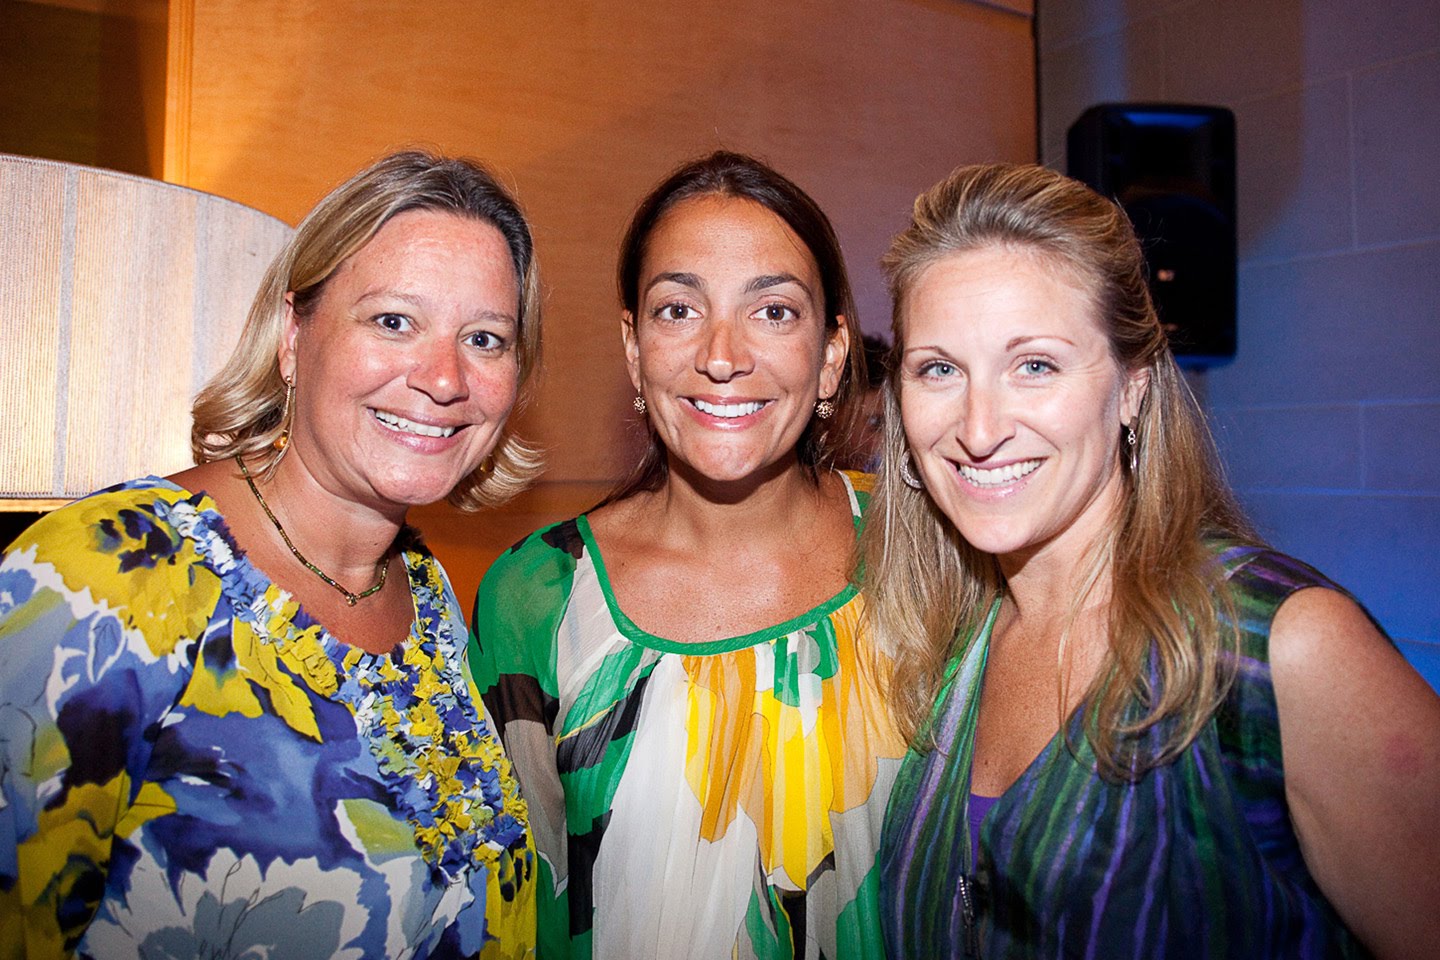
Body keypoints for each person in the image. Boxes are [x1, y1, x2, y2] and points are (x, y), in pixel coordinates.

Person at [865, 162, 1440, 959]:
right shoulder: (945, 644)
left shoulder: (1276, 648)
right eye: (939, 369)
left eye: (1035, 364)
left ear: (1133, 387)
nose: (979, 425)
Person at [0, 151, 544, 959]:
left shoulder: (425, 592)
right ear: (294, 336)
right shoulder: (98, 580)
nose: (443, 377)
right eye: (393, 321)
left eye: (485, 338)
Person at [470, 151, 903, 959]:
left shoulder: (925, 552)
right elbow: (517, 915)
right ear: (634, 349)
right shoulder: (536, 597)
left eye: (773, 311)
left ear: (833, 355)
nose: (722, 355)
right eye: (678, 310)